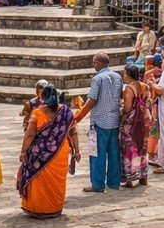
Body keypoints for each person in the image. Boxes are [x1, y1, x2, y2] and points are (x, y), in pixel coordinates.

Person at [18, 83, 76, 219]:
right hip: (60, 152)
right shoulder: (66, 111)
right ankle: (54, 207)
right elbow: (73, 131)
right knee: (57, 182)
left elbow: (30, 135)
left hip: (40, 154)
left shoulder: (37, 113)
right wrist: (77, 150)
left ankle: (39, 208)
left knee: (39, 181)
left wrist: (23, 151)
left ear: (43, 98)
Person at [75, 52, 123, 192]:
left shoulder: (97, 79)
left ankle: (98, 184)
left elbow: (91, 101)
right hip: (114, 120)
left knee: (97, 153)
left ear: (100, 63)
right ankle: (114, 182)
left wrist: (78, 118)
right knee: (114, 153)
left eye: (94, 62)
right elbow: (120, 96)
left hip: (99, 121)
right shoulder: (118, 76)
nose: (93, 65)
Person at [120, 64, 150, 187]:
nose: (123, 76)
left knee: (129, 148)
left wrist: (121, 116)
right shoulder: (144, 86)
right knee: (142, 146)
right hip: (143, 120)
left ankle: (130, 178)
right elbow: (147, 101)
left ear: (129, 75)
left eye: (124, 73)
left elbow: (127, 108)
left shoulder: (129, 88)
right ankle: (143, 175)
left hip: (132, 122)